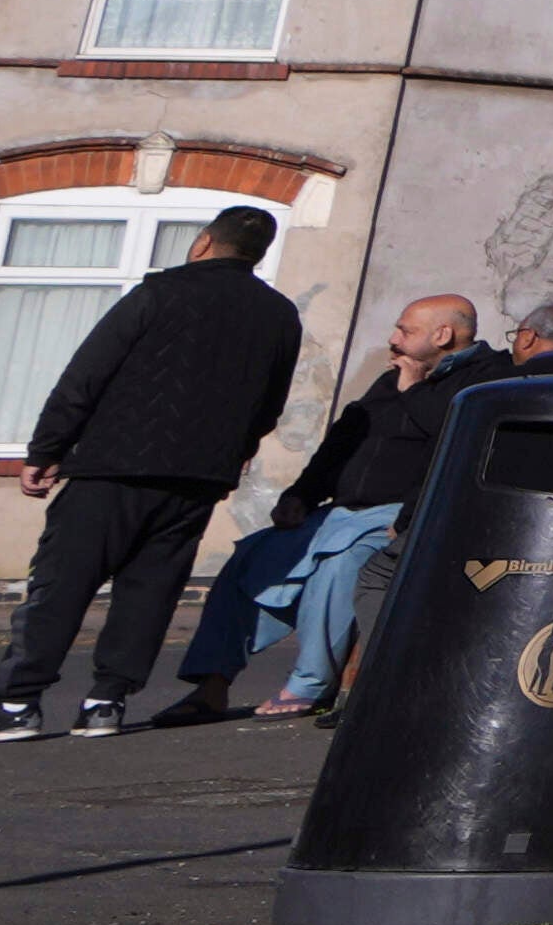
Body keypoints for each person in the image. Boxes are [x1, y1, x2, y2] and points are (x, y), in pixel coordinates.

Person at [0, 210, 310, 742]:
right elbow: (270, 404)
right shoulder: (279, 315)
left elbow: (86, 375)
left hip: (115, 465)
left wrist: (46, 448)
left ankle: (17, 704)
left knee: (62, 584)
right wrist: (230, 457)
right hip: (197, 477)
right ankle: (106, 702)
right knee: (151, 590)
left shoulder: (158, 294)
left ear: (202, 243)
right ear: (258, 254)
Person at [147, 291, 491, 729]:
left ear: (443, 335)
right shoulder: (395, 376)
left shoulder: (481, 378)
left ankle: (310, 683)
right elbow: (343, 442)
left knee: (339, 566)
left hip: (397, 515)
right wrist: (301, 495)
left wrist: (414, 391)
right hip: (339, 511)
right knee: (251, 558)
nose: (394, 338)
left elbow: (453, 441)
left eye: (405, 330)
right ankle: (211, 685)